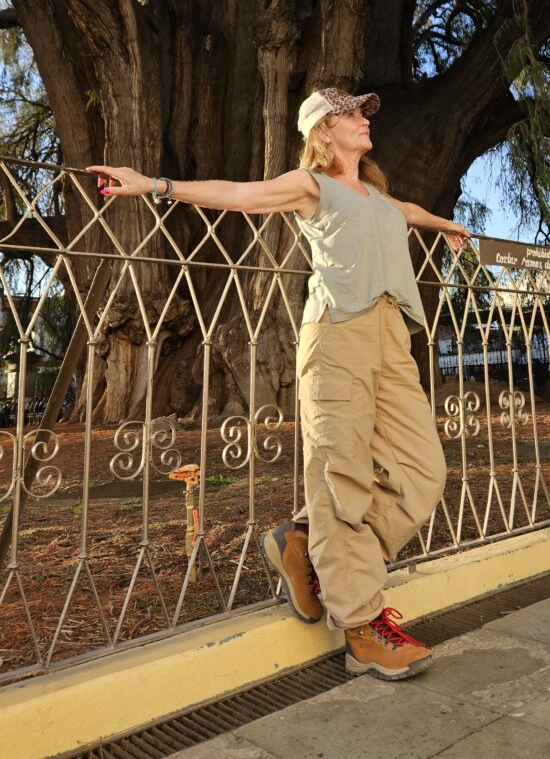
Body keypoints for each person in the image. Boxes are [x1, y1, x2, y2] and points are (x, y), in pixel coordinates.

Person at [87, 86, 471, 681]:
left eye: (364, 113)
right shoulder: (310, 184)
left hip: (393, 337)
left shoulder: (376, 195)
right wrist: (155, 185)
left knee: (423, 471)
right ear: (323, 130)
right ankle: (361, 626)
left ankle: (304, 540)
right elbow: (242, 196)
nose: (364, 120)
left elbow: (409, 212)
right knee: (342, 476)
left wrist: (445, 224)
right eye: (350, 113)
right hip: (339, 334)